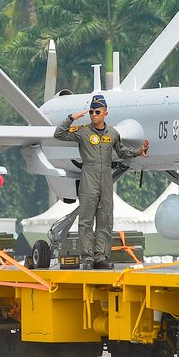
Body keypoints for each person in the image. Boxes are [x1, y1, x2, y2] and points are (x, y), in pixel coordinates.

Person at [54, 94, 149, 269]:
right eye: (91, 111)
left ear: (105, 112)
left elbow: (121, 152)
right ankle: (87, 258)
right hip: (88, 175)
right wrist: (70, 118)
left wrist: (138, 152)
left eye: (97, 111)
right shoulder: (82, 131)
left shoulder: (113, 133)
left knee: (105, 219)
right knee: (86, 220)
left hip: (106, 176)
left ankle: (101, 257)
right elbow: (58, 134)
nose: (93, 115)